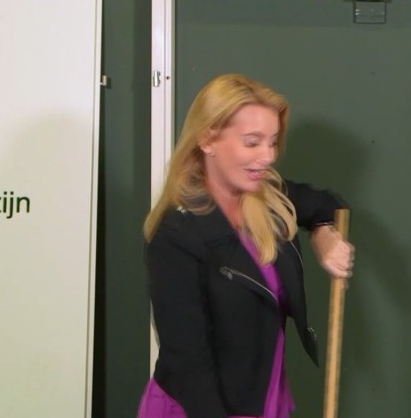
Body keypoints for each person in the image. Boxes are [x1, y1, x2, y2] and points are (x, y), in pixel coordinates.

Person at [137, 73, 354, 418]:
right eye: (252, 143)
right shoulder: (176, 235)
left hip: (262, 400)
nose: (267, 156)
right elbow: (188, 364)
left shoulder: (268, 199)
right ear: (207, 139)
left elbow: (328, 204)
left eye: (272, 142)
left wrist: (324, 235)